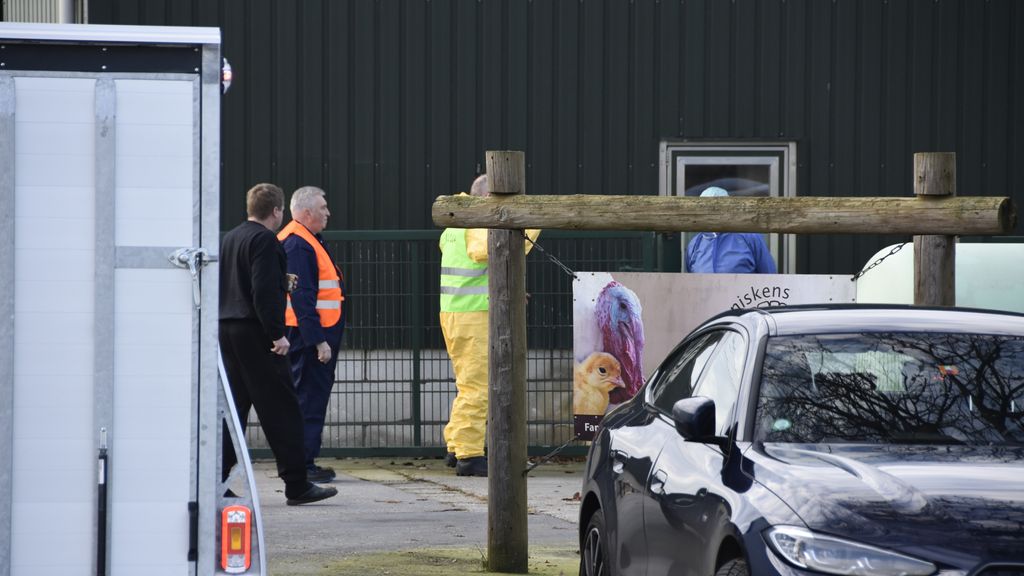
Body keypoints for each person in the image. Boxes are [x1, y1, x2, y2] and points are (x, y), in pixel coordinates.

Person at [219, 183, 337, 505]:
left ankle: (218, 481)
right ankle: (297, 484)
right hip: (256, 333)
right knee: (283, 409)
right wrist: (277, 335)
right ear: (276, 211)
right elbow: (264, 292)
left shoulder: (231, 238)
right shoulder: (265, 241)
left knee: (235, 409)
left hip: (227, 330)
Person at [439, 174, 540, 477]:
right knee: (479, 387)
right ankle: (469, 455)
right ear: (488, 199)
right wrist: (529, 221)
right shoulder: (477, 222)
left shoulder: (455, 222)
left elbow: (477, 266)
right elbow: (489, 250)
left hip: (456, 311)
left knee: (467, 384)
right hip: (474, 313)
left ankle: (456, 446)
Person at [278, 186, 345, 484]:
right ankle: (303, 464)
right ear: (306, 213)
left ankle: (304, 461)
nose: (328, 212)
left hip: (306, 334)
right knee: (308, 399)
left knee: (306, 398)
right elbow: (302, 297)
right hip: (308, 338)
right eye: (323, 207)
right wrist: (318, 340)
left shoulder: (303, 240)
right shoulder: (299, 245)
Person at [686, 186, 777, 273]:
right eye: (705, 209)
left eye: (718, 207)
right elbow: (692, 281)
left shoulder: (749, 237)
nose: (713, 213)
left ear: (729, 209)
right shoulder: (695, 244)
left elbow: (769, 275)